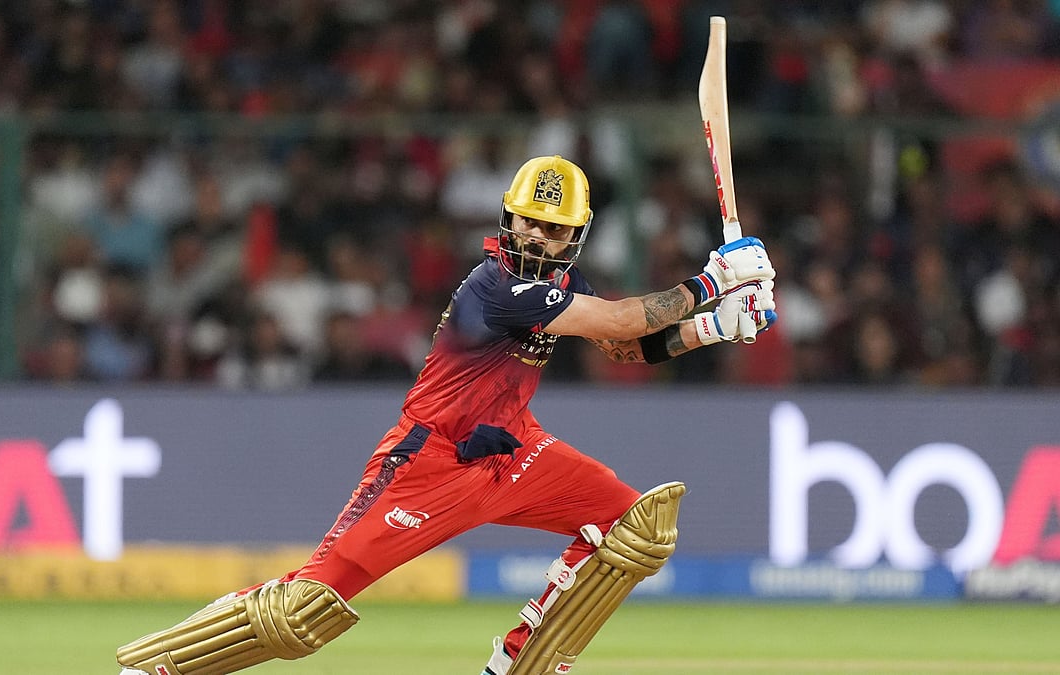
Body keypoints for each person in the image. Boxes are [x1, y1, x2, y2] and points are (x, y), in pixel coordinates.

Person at [116, 155, 776, 675]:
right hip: (428, 462)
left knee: (635, 527)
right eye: (528, 221)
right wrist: (713, 281)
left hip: (516, 453)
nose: (538, 236)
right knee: (305, 609)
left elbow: (626, 345)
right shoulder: (495, 285)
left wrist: (717, 325)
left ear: (575, 235)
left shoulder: (562, 287)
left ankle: (518, 663)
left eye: (555, 228)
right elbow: (625, 318)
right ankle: (160, 666)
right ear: (507, 219)